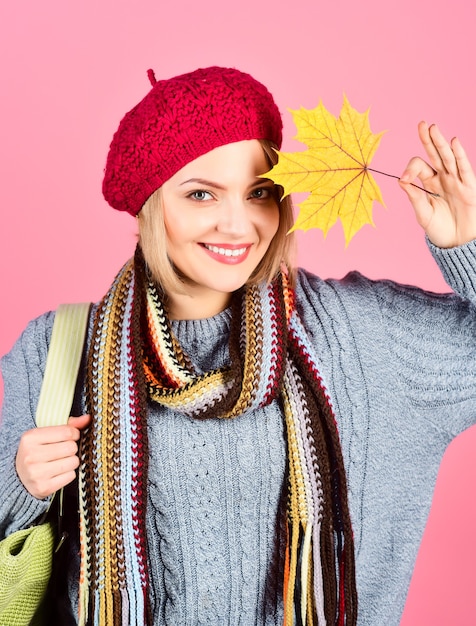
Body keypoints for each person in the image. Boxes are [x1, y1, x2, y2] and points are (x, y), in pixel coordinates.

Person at [1, 66, 476, 626]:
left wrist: (467, 245)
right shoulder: (58, 351)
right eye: (202, 193)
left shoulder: (360, 335)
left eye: (260, 193)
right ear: (152, 207)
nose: (238, 224)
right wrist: (22, 483)